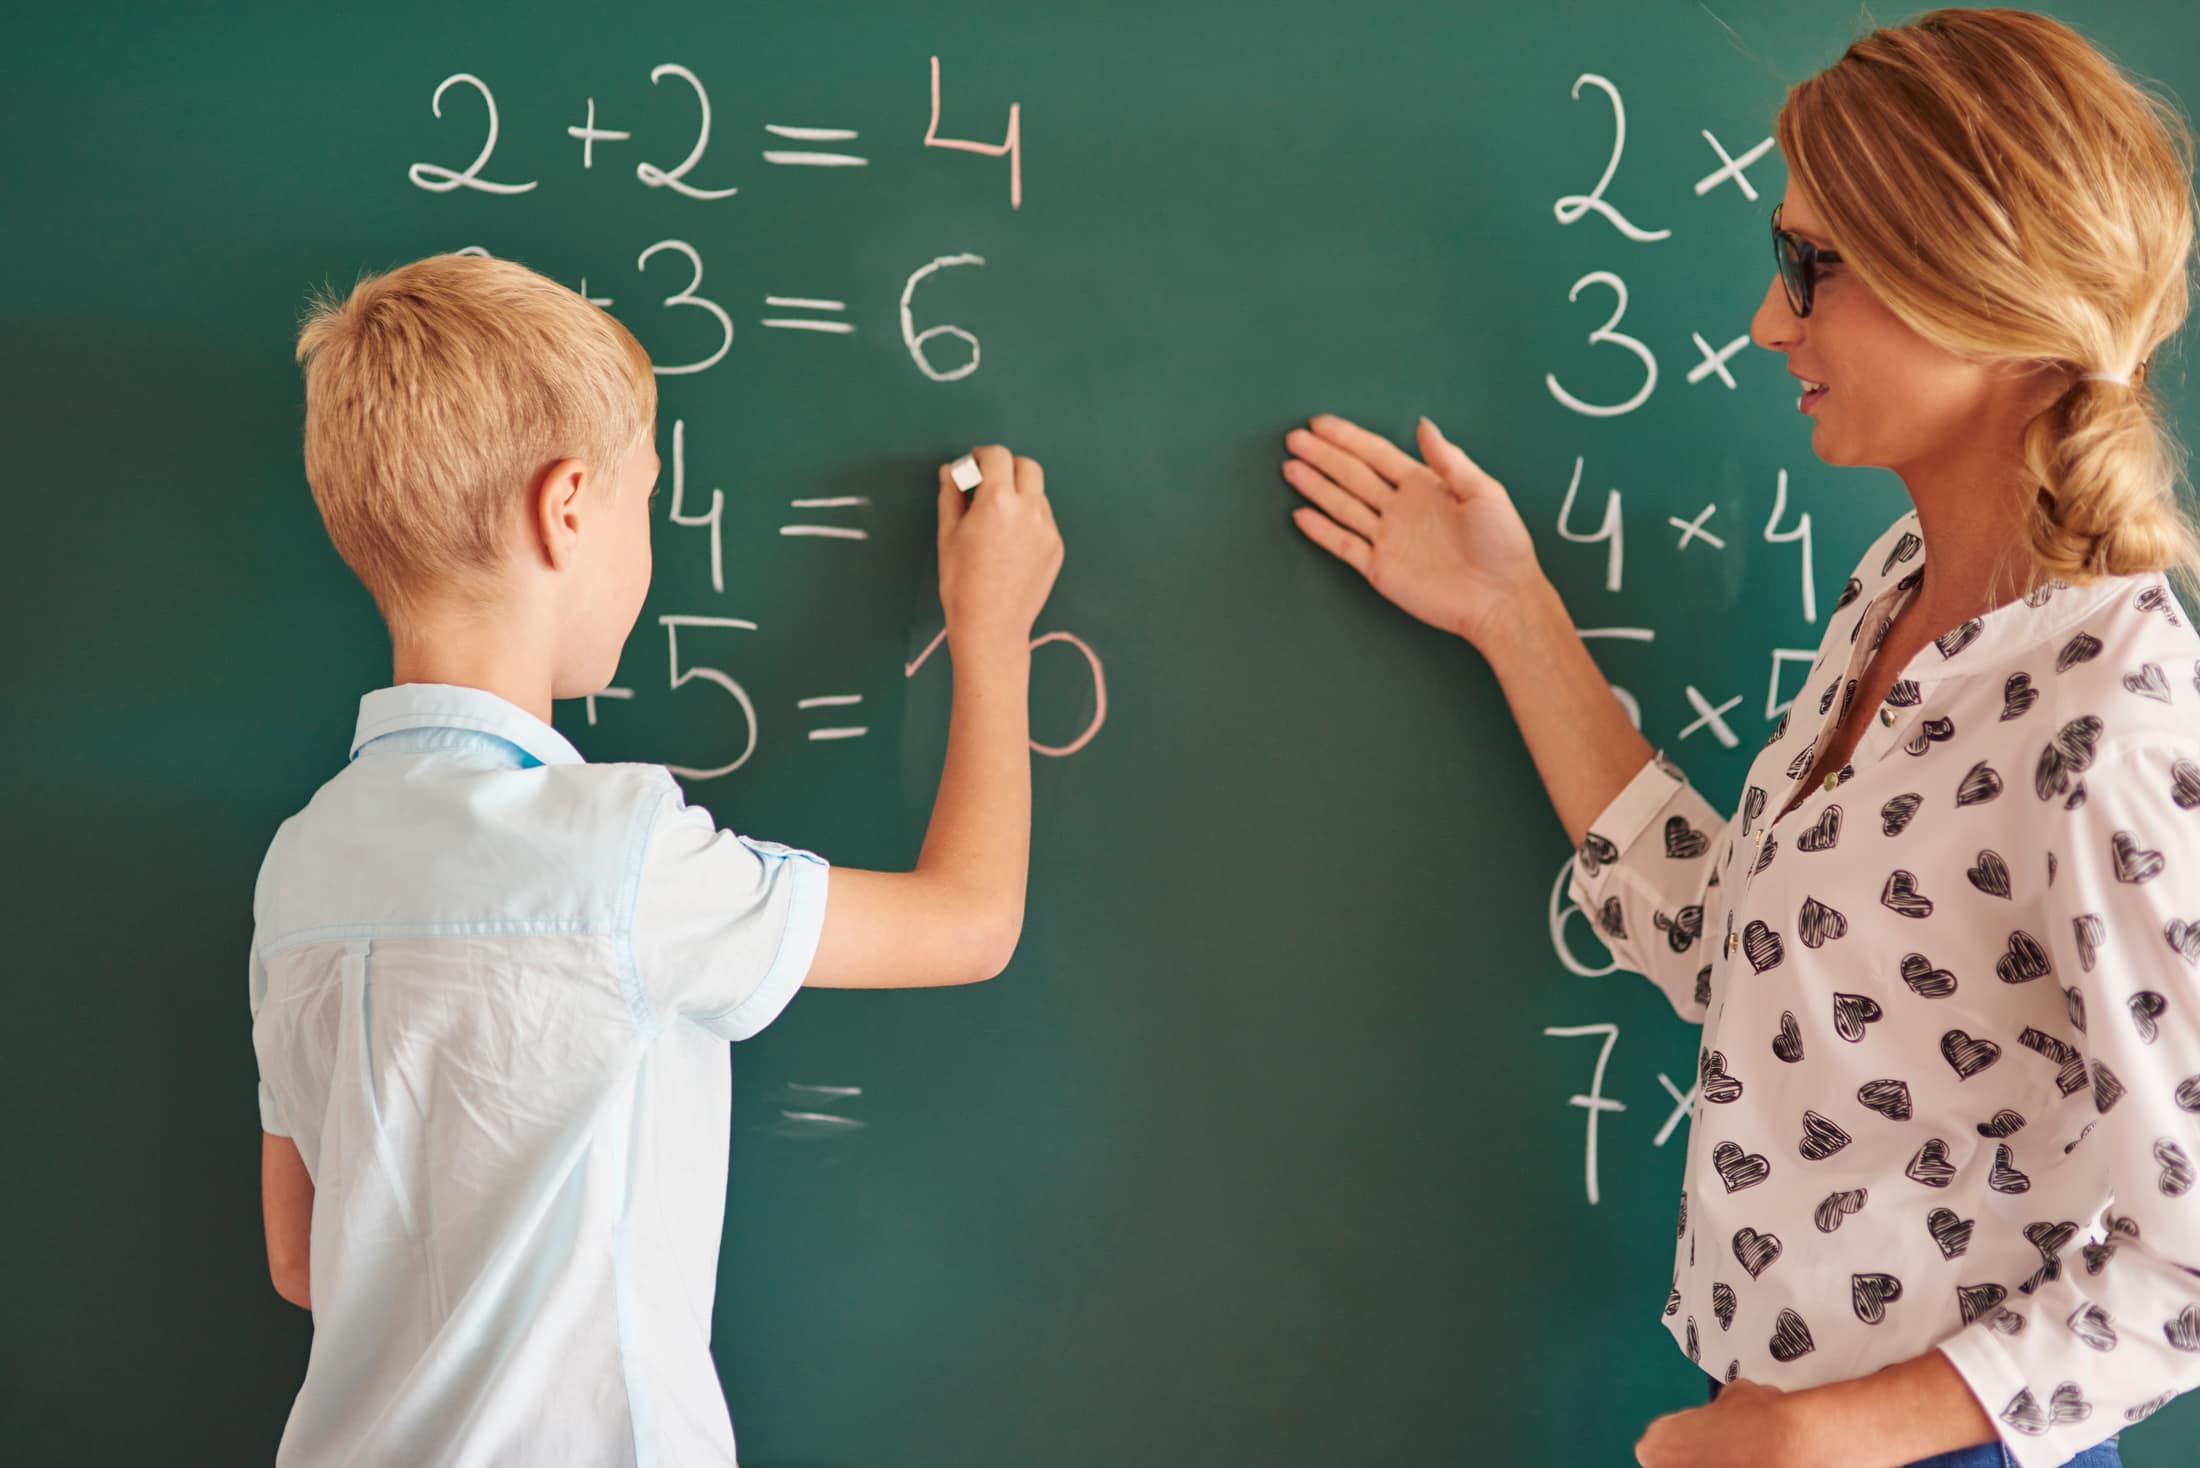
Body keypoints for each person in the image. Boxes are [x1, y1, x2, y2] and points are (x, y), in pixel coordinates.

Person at [1281, 10, 2200, 1467]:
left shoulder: (2115, 726)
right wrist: (1516, 615)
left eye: (1810, 267)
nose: (1772, 321)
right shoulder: (1899, 594)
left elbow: (2193, 1255)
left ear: (1977, 286)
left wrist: (1824, 1441)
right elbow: (1744, 959)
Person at [249, 251, 1063, 1465]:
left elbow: (305, 1257)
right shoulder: (618, 851)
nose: (648, 538)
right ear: (566, 505)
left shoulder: (299, 865)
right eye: (645, 500)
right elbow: (971, 922)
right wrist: (992, 629)